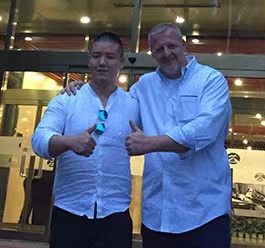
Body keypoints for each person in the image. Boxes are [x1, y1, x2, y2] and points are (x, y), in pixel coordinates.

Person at [65, 22, 233, 247]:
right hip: (157, 215)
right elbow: (114, 113)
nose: (166, 53)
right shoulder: (143, 86)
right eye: (159, 49)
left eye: (171, 46)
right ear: (152, 53)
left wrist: (151, 143)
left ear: (183, 45)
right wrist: (85, 91)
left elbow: (204, 130)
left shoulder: (210, 80)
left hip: (205, 214)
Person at [31, 32, 140, 248]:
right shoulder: (67, 99)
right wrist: (69, 142)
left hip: (116, 214)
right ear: (89, 59)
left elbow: (153, 138)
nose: (102, 62)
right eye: (96, 56)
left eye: (110, 57)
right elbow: (39, 140)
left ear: (121, 62)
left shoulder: (133, 105)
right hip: (70, 213)